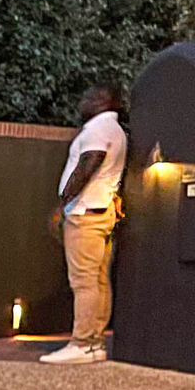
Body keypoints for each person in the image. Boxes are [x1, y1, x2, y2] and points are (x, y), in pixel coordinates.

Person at [42, 86, 128, 365]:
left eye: (89, 97)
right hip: (102, 212)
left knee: (83, 281)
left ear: (105, 102)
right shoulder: (115, 130)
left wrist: (63, 201)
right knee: (98, 280)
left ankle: (82, 343)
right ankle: (94, 343)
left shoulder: (98, 130)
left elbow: (90, 161)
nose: (83, 102)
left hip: (85, 213)